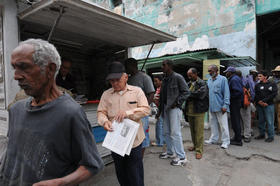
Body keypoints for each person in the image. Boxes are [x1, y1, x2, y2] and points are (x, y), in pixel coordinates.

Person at [0, 39, 103, 186]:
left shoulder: (71, 113)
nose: (16, 76)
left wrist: (61, 182)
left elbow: (92, 165)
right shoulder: (16, 110)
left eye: (24, 67)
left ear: (50, 70)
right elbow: (12, 156)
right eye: (15, 68)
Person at [97, 62, 150, 186]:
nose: (114, 83)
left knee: (135, 173)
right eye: (111, 81)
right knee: (121, 172)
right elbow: (101, 112)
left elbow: (146, 109)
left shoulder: (137, 91)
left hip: (134, 141)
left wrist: (128, 113)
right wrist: (104, 121)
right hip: (116, 141)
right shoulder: (106, 94)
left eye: (117, 80)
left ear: (125, 77)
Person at [158, 59, 189, 166]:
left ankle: (182, 157)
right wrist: (159, 111)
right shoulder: (165, 79)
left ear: (170, 66)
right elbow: (162, 96)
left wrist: (177, 103)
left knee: (175, 132)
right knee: (166, 131)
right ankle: (171, 152)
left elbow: (186, 92)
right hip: (166, 108)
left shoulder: (178, 77)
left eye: (164, 65)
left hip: (174, 109)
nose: (162, 67)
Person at [125, 58, 155, 157]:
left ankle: (139, 159)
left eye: (127, 66)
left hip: (141, 113)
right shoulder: (128, 79)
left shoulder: (145, 78)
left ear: (132, 66)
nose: (125, 69)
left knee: (143, 136)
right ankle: (134, 156)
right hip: (130, 113)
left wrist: (143, 108)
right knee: (132, 135)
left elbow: (151, 94)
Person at [185, 68, 208, 159]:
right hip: (190, 111)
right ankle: (195, 146)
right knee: (192, 131)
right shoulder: (189, 84)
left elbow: (200, 95)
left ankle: (199, 150)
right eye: (188, 75)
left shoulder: (202, 83)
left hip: (199, 110)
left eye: (190, 75)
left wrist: (189, 94)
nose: (189, 77)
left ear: (195, 74)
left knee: (199, 132)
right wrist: (190, 94)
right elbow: (185, 93)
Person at [205, 64, 230, 149]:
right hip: (211, 107)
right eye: (208, 71)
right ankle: (213, 139)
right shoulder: (209, 80)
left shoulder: (223, 79)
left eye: (210, 71)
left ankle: (226, 141)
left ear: (216, 71)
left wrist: (225, 105)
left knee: (223, 125)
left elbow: (226, 93)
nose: (209, 72)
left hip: (221, 107)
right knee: (213, 124)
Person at [254, 70, 278, 142]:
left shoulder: (272, 84)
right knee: (261, 120)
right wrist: (259, 102)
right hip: (260, 105)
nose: (258, 77)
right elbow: (256, 95)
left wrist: (264, 101)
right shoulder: (257, 85)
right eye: (258, 76)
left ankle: (271, 136)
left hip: (269, 105)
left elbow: (273, 94)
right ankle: (262, 134)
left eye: (260, 76)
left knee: (270, 121)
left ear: (265, 77)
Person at [224, 67, 244, 146]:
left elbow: (238, 92)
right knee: (235, 121)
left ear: (230, 72)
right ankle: (236, 137)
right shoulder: (234, 78)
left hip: (235, 102)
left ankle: (238, 140)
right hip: (235, 102)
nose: (226, 73)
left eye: (227, 72)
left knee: (236, 121)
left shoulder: (234, 79)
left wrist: (229, 96)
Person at [236, 70, 255, 143]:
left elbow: (251, 92)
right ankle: (246, 133)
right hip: (244, 103)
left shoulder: (244, 82)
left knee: (246, 120)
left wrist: (250, 101)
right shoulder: (247, 80)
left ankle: (247, 135)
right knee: (244, 119)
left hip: (245, 103)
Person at [151, 75, 165, 147]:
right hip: (159, 109)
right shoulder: (158, 89)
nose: (155, 83)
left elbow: (161, 100)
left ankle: (159, 142)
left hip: (160, 110)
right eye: (154, 81)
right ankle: (162, 141)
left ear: (161, 81)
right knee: (161, 125)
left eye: (156, 81)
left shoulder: (162, 89)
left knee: (159, 125)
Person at [271, 66, 280, 135]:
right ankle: (274, 128)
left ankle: (279, 130)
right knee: (272, 115)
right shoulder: (271, 80)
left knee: (279, 116)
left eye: (278, 72)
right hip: (273, 100)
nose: (277, 73)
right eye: (276, 72)